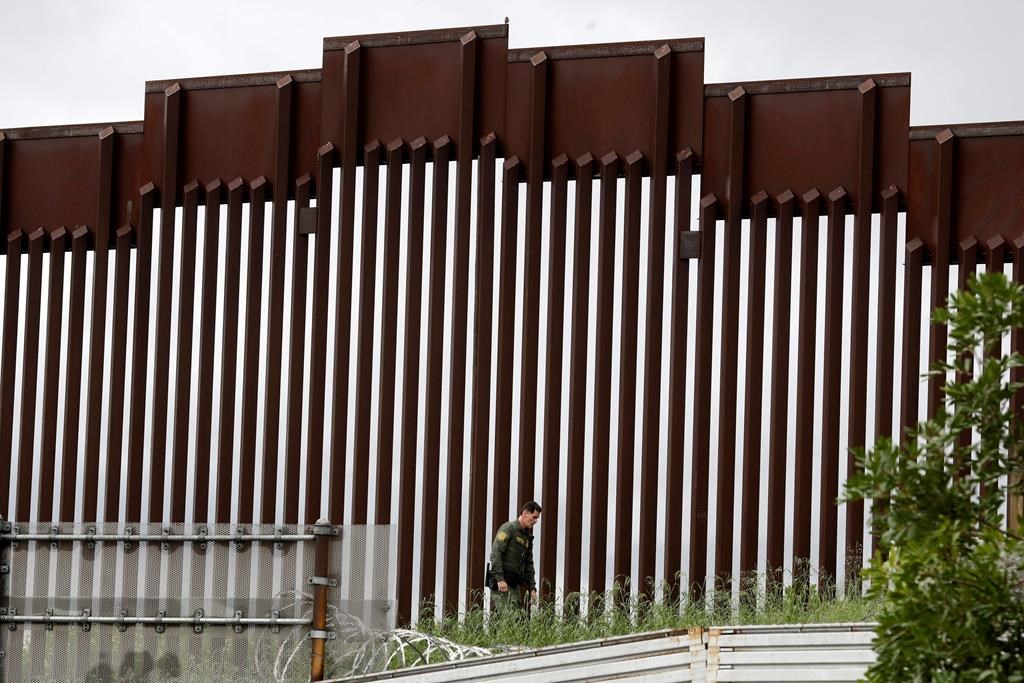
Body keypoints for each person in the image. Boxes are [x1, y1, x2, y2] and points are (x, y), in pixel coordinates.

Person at [488, 501, 541, 611]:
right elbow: (496, 553)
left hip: (513, 584)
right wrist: (500, 579)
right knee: (508, 618)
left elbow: (529, 564)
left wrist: (532, 588)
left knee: (516, 619)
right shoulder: (508, 528)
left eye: (537, 519)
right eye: (534, 517)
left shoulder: (527, 537)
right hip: (501, 583)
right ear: (525, 513)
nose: (535, 521)